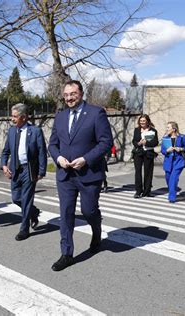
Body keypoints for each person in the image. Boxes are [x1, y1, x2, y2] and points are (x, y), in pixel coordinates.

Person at [48, 80, 113, 271]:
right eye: (66, 94)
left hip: (89, 173)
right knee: (66, 213)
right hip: (65, 174)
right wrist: (58, 157)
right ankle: (66, 253)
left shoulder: (95, 113)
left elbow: (105, 142)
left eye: (72, 94)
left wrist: (85, 159)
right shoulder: (60, 116)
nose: (69, 98)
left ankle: (96, 230)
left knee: (88, 211)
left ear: (81, 93)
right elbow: (52, 144)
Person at [1, 103, 47, 241]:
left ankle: (24, 229)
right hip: (15, 169)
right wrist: (4, 165)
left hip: (29, 169)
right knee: (16, 198)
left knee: (26, 199)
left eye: (15, 116)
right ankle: (34, 212)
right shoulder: (11, 131)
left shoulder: (35, 131)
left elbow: (42, 153)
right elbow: (5, 151)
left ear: (24, 117)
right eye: (12, 116)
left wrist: (41, 171)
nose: (12, 119)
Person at [161, 121, 185, 203]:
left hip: (178, 160)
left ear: (174, 129)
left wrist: (180, 149)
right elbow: (162, 150)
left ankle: (172, 198)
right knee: (168, 178)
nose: (166, 129)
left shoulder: (183, 137)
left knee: (173, 178)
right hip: (168, 161)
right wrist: (167, 150)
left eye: (168, 127)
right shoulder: (165, 138)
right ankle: (173, 189)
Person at [131, 114, 159, 198]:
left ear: (147, 121)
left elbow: (155, 143)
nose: (142, 122)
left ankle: (147, 191)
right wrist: (138, 143)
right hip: (138, 153)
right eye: (141, 121)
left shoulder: (153, 131)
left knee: (148, 172)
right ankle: (138, 191)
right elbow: (134, 141)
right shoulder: (136, 130)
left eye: (144, 121)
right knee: (138, 172)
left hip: (148, 153)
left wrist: (146, 143)